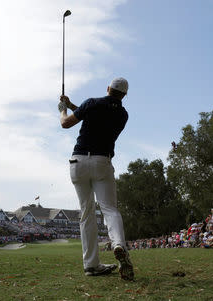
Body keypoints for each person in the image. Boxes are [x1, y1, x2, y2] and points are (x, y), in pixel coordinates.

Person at [58, 77, 134, 280]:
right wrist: (73, 104)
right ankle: (118, 244)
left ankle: (91, 265)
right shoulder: (123, 114)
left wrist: (62, 109)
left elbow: (66, 123)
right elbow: (93, 113)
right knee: (109, 209)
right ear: (124, 95)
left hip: (79, 162)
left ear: (108, 88)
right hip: (102, 162)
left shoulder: (91, 103)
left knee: (86, 213)